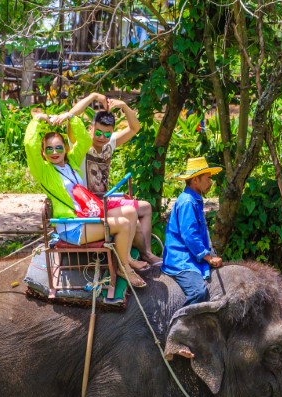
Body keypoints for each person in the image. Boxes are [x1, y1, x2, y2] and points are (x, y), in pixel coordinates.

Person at [24, 107, 146, 288]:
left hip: (87, 216)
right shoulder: (44, 172)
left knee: (130, 211)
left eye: (58, 147)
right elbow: (29, 145)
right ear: (43, 152)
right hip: (72, 226)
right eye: (49, 149)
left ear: (65, 148)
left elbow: (83, 138)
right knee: (123, 224)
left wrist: (70, 116)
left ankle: (126, 257)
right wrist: (38, 120)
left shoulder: (72, 162)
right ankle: (124, 268)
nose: (54, 152)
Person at [52, 93, 162, 267]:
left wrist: (124, 106)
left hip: (105, 199)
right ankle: (127, 261)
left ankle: (146, 253)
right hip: (89, 205)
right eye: (98, 132)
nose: (102, 137)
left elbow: (135, 128)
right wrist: (93, 96)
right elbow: (70, 117)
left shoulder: (110, 143)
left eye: (107, 134)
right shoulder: (81, 144)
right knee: (133, 219)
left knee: (146, 207)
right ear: (90, 128)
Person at [161, 157, 224, 306]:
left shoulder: (193, 199)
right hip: (182, 260)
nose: (210, 183)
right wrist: (208, 258)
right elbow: (190, 235)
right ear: (196, 180)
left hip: (190, 256)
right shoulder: (188, 202)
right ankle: (179, 324)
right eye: (208, 178)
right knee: (198, 293)